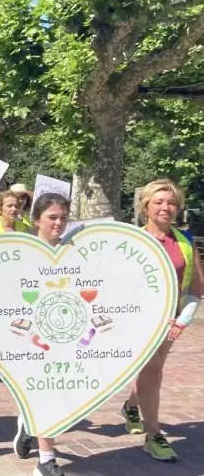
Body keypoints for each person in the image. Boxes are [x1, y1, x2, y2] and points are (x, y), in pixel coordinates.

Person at [119, 179, 203, 462]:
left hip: (170, 324)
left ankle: (135, 411)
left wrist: (182, 320)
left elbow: (196, 290)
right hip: (137, 321)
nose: (166, 207)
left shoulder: (186, 242)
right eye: (158, 201)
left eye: (171, 202)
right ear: (145, 206)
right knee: (151, 371)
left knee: (151, 371)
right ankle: (152, 433)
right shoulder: (132, 240)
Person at [10, 192, 72, 476]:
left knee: (56, 392)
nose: (58, 223)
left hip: (63, 332)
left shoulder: (74, 252)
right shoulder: (21, 251)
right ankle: (46, 460)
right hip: (28, 334)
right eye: (52, 217)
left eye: (63, 218)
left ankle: (28, 421)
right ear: (36, 219)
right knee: (46, 392)